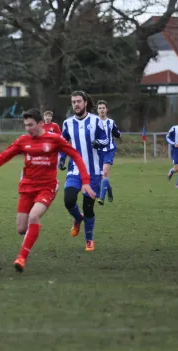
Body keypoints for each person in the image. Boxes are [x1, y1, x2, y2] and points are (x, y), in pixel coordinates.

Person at [0, 108, 95, 272]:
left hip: (47, 186)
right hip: (27, 187)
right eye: (25, 125)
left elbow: (75, 155)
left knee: (34, 216)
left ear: (40, 124)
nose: (28, 128)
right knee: (21, 229)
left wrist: (86, 181)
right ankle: (31, 234)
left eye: (30, 125)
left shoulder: (54, 140)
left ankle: (21, 258)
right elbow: (5, 155)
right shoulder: (23, 141)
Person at [58, 91, 109, 251]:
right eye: (73, 102)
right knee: (69, 200)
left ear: (85, 103)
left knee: (88, 207)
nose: (76, 104)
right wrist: (61, 158)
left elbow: (106, 139)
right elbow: (63, 143)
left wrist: (98, 142)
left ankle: (89, 239)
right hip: (75, 170)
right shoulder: (67, 123)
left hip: (94, 172)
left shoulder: (96, 121)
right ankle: (77, 218)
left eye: (79, 101)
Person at [95, 100, 122, 205]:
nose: (102, 110)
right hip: (99, 152)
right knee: (102, 175)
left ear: (106, 110)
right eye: (100, 108)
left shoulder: (111, 122)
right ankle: (109, 189)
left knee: (105, 172)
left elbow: (116, 133)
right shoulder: (94, 122)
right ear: (97, 110)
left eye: (103, 108)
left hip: (109, 150)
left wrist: (119, 136)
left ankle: (101, 197)